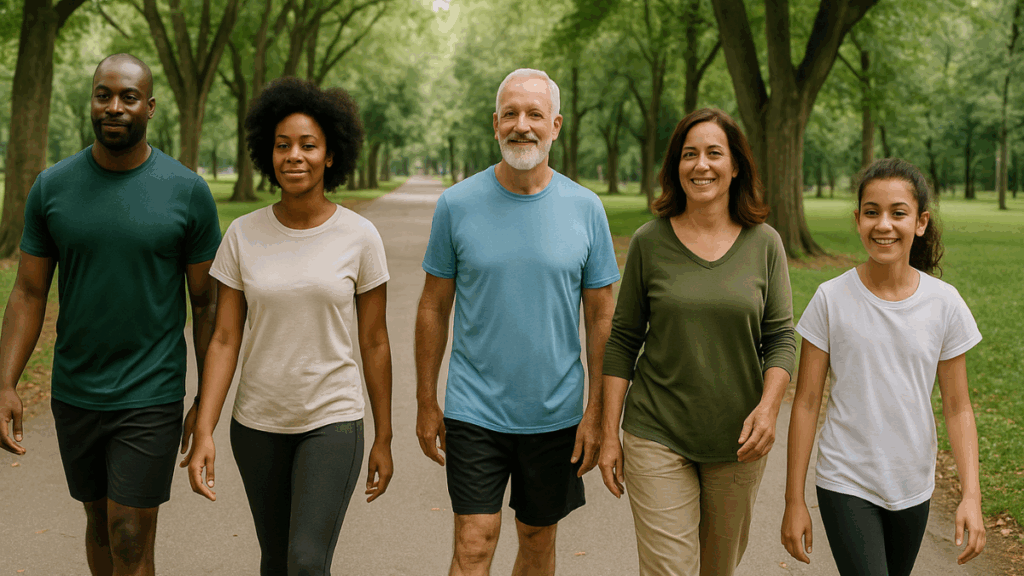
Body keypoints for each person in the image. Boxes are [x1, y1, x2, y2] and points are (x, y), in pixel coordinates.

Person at [0, 54, 221, 575]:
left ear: (149, 106)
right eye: (104, 95)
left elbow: (207, 302)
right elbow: (29, 292)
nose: (114, 107)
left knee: (128, 531)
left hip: (150, 391)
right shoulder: (52, 187)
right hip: (76, 389)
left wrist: (204, 405)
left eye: (128, 97)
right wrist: (6, 381)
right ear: (92, 101)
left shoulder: (187, 191)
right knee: (99, 523)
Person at [182, 76, 393, 576]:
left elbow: (375, 340)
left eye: (308, 145)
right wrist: (206, 427)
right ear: (266, 153)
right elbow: (225, 338)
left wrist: (384, 435)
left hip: (332, 419)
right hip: (257, 424)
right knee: (276, 561)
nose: (294, 156)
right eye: (282, 146)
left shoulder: (360, 237)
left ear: (331, 155)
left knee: (305, 562)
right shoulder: (242, 234)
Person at [415, 68, 620, 576]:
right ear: (495, 124)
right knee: (474, 542)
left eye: (534, 114)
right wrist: (425, 400)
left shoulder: (586, 208)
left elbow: (601, 317)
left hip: (555, 413)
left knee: (536, 539)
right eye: (511, 114)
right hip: (474, 408)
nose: (521, 125)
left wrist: (596, 411)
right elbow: (432, 307)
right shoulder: (457, 205)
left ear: (556, 125)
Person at [599, 108, 796, 576]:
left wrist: (768, 409)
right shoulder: (650, 242)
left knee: (717, 570)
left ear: (735, 167)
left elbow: (781, 337)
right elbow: (623, 340)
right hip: (656, 431)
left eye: (713, 153)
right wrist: (609, 434)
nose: (700, 165)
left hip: (739, 439)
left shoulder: (765, 243)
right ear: (675, 167)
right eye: (689, 155)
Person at [781, 158, 985, 574]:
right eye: (872, 212)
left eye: (898, 213)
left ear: (921, 222)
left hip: (913, 485)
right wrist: (793, 500)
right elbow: (805, 403)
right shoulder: (830, 298)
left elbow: (958, 408)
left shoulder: (944, 304)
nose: (884, 225)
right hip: (846, 480)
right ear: (858, 219)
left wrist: (971, 497)